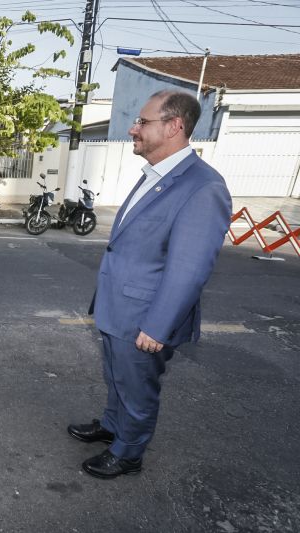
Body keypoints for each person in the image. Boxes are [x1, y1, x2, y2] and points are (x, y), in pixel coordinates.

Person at [68, 90, 232, 479]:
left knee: (138, 388)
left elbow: (189, 268)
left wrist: (157, 325)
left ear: (175, 126)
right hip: (118, 306)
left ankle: (128, 452)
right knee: (117, 377)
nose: (133, 128)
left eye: (143, 122)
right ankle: (112, 426)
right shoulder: (157, 175)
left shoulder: (202, 186)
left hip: (145, 316)